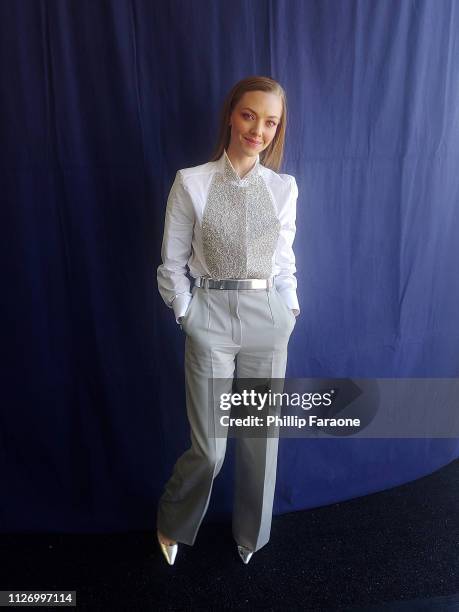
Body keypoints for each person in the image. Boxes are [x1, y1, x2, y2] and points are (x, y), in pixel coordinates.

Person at [156, 76, 300, 565]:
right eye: (249, 115)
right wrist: (186, 313)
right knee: (212, 450)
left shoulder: (283, 189)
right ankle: (173, 521)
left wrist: (290, 311)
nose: (258, 129)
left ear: (277, 130)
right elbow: (172, 265)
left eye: (270, 121)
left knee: (261, 441)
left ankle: (251, 538)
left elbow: (284, 262)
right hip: (210, 317)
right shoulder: (191, 181)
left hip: (267, 317)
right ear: (231, 116)